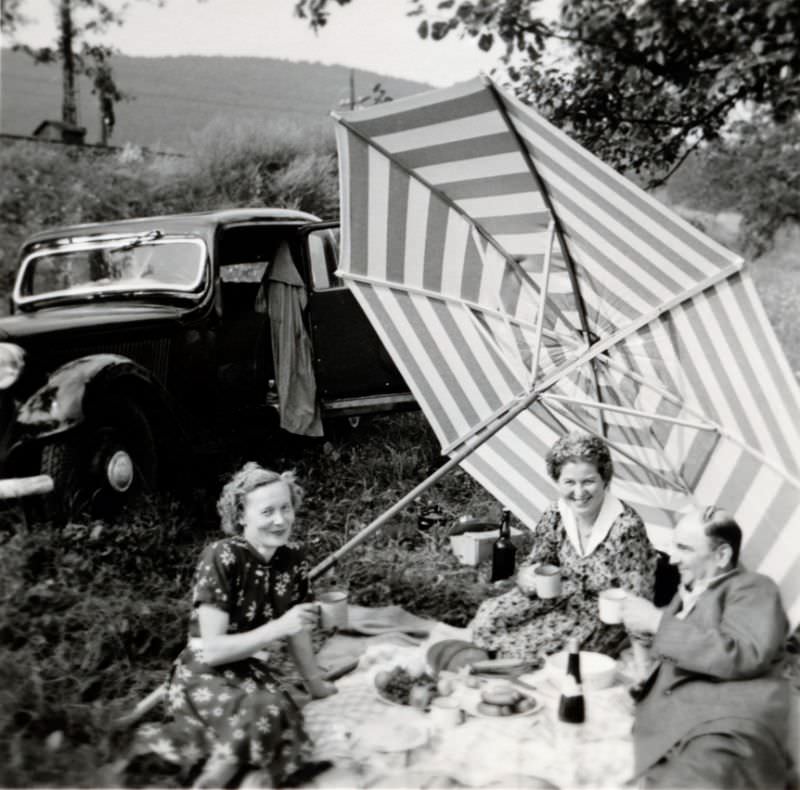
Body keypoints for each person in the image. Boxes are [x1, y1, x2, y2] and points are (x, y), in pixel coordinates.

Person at [133, 462, 336, 788]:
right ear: (241, 516)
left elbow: (297, 629)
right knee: (263, 713)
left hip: (249, 670)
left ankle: (242, 773)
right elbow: (212, 651)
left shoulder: (293, 561)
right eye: (267, 511)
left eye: (286, 508)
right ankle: (215, 778)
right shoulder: (221, 557)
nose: (280, 520)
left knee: (287, 722)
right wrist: (278, 628)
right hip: (202, 670)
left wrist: (316, 685)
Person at [621, 505, 792, 789]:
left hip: (730, 722)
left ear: (722, 555)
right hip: (679, 720)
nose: (673, 559)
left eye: (684, 549)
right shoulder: (689, 591)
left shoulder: (753, 588)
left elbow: (745, 654)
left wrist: (656, 623)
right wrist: (644, 638)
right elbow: (685, 645)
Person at [470, 431, 659, 661]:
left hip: (600, 613)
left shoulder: (625, 527)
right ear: (557, 480)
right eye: (569, 482)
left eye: (588, 481)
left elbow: (637, 599)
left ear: (605, 479)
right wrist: (526, 575)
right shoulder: (556, 513)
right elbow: (539, 561)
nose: (579, 493)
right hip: (556, 596)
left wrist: (641, 655)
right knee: (487, 619)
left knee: (533, 652)